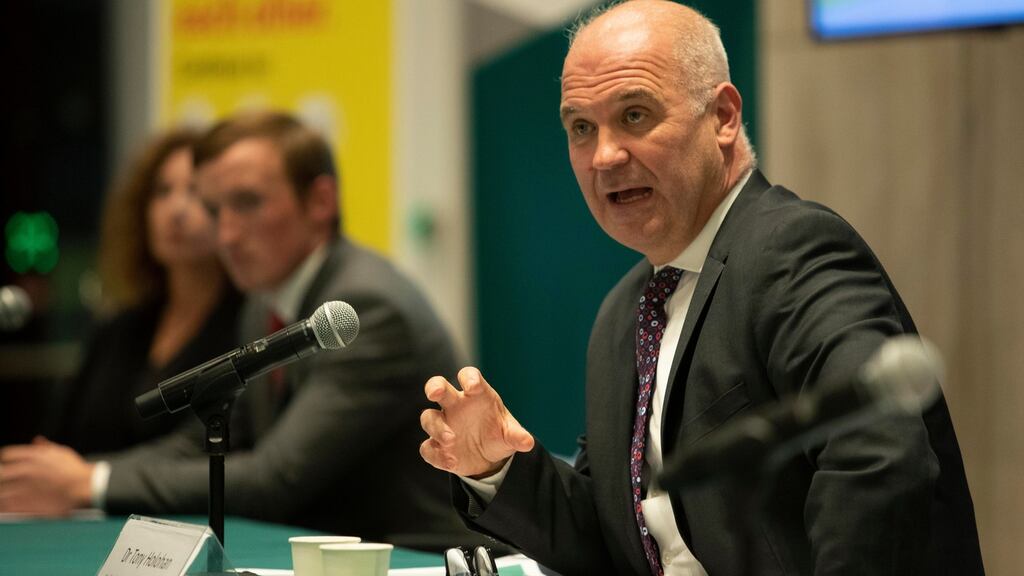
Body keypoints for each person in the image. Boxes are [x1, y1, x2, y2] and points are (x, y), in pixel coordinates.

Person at [418, 1, 984, 575]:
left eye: (635, 115)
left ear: (723, 117)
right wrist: (497, 469)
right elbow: (614, 537)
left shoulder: (793, 251)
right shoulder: (625, 316)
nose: (605, 155)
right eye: (581, 128)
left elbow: (878, 455)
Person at [0, 111, 471, 548]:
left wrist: (88, 484)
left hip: (411, 562)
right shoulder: (264, 303)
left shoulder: (367, 308)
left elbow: (275, 477)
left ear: (320, 202)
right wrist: (80, 471)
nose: (225, 235)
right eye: (215, 209)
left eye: (247, 203)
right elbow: (204, 438)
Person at [49, 127, 241, 454]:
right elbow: (59, 437)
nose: (176, 210)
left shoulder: (249, 325)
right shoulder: (118, 328)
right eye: (162, 191)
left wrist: (93, 480)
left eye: (196, 192)